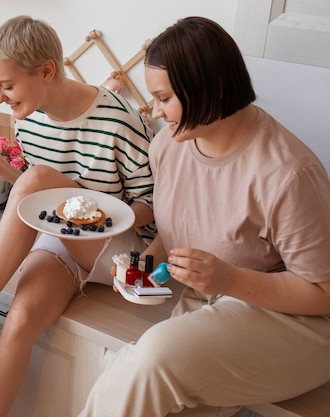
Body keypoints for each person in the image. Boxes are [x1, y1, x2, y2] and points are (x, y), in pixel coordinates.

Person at [0, 15, 155, 417]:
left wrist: (97, 214)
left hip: (119, 252)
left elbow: (153, 205)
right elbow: (34, 189)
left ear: (47, 71)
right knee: (18, 320)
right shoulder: (31, 120)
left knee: (38, 178)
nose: (0, 97)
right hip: (62, 238)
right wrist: (1, 167)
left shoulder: (119, 119)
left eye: (7, 85)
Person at [79, 16, 330, 417]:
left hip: (298, 325)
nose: (156, 112)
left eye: (164, 99)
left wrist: (229, 280)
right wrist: (144, 267)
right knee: (130, 371)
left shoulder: (288, 174)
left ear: (209, 88)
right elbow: (177, 236)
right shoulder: (168, 146)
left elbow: (323, 293)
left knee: (150, 360)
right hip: (209, 304)